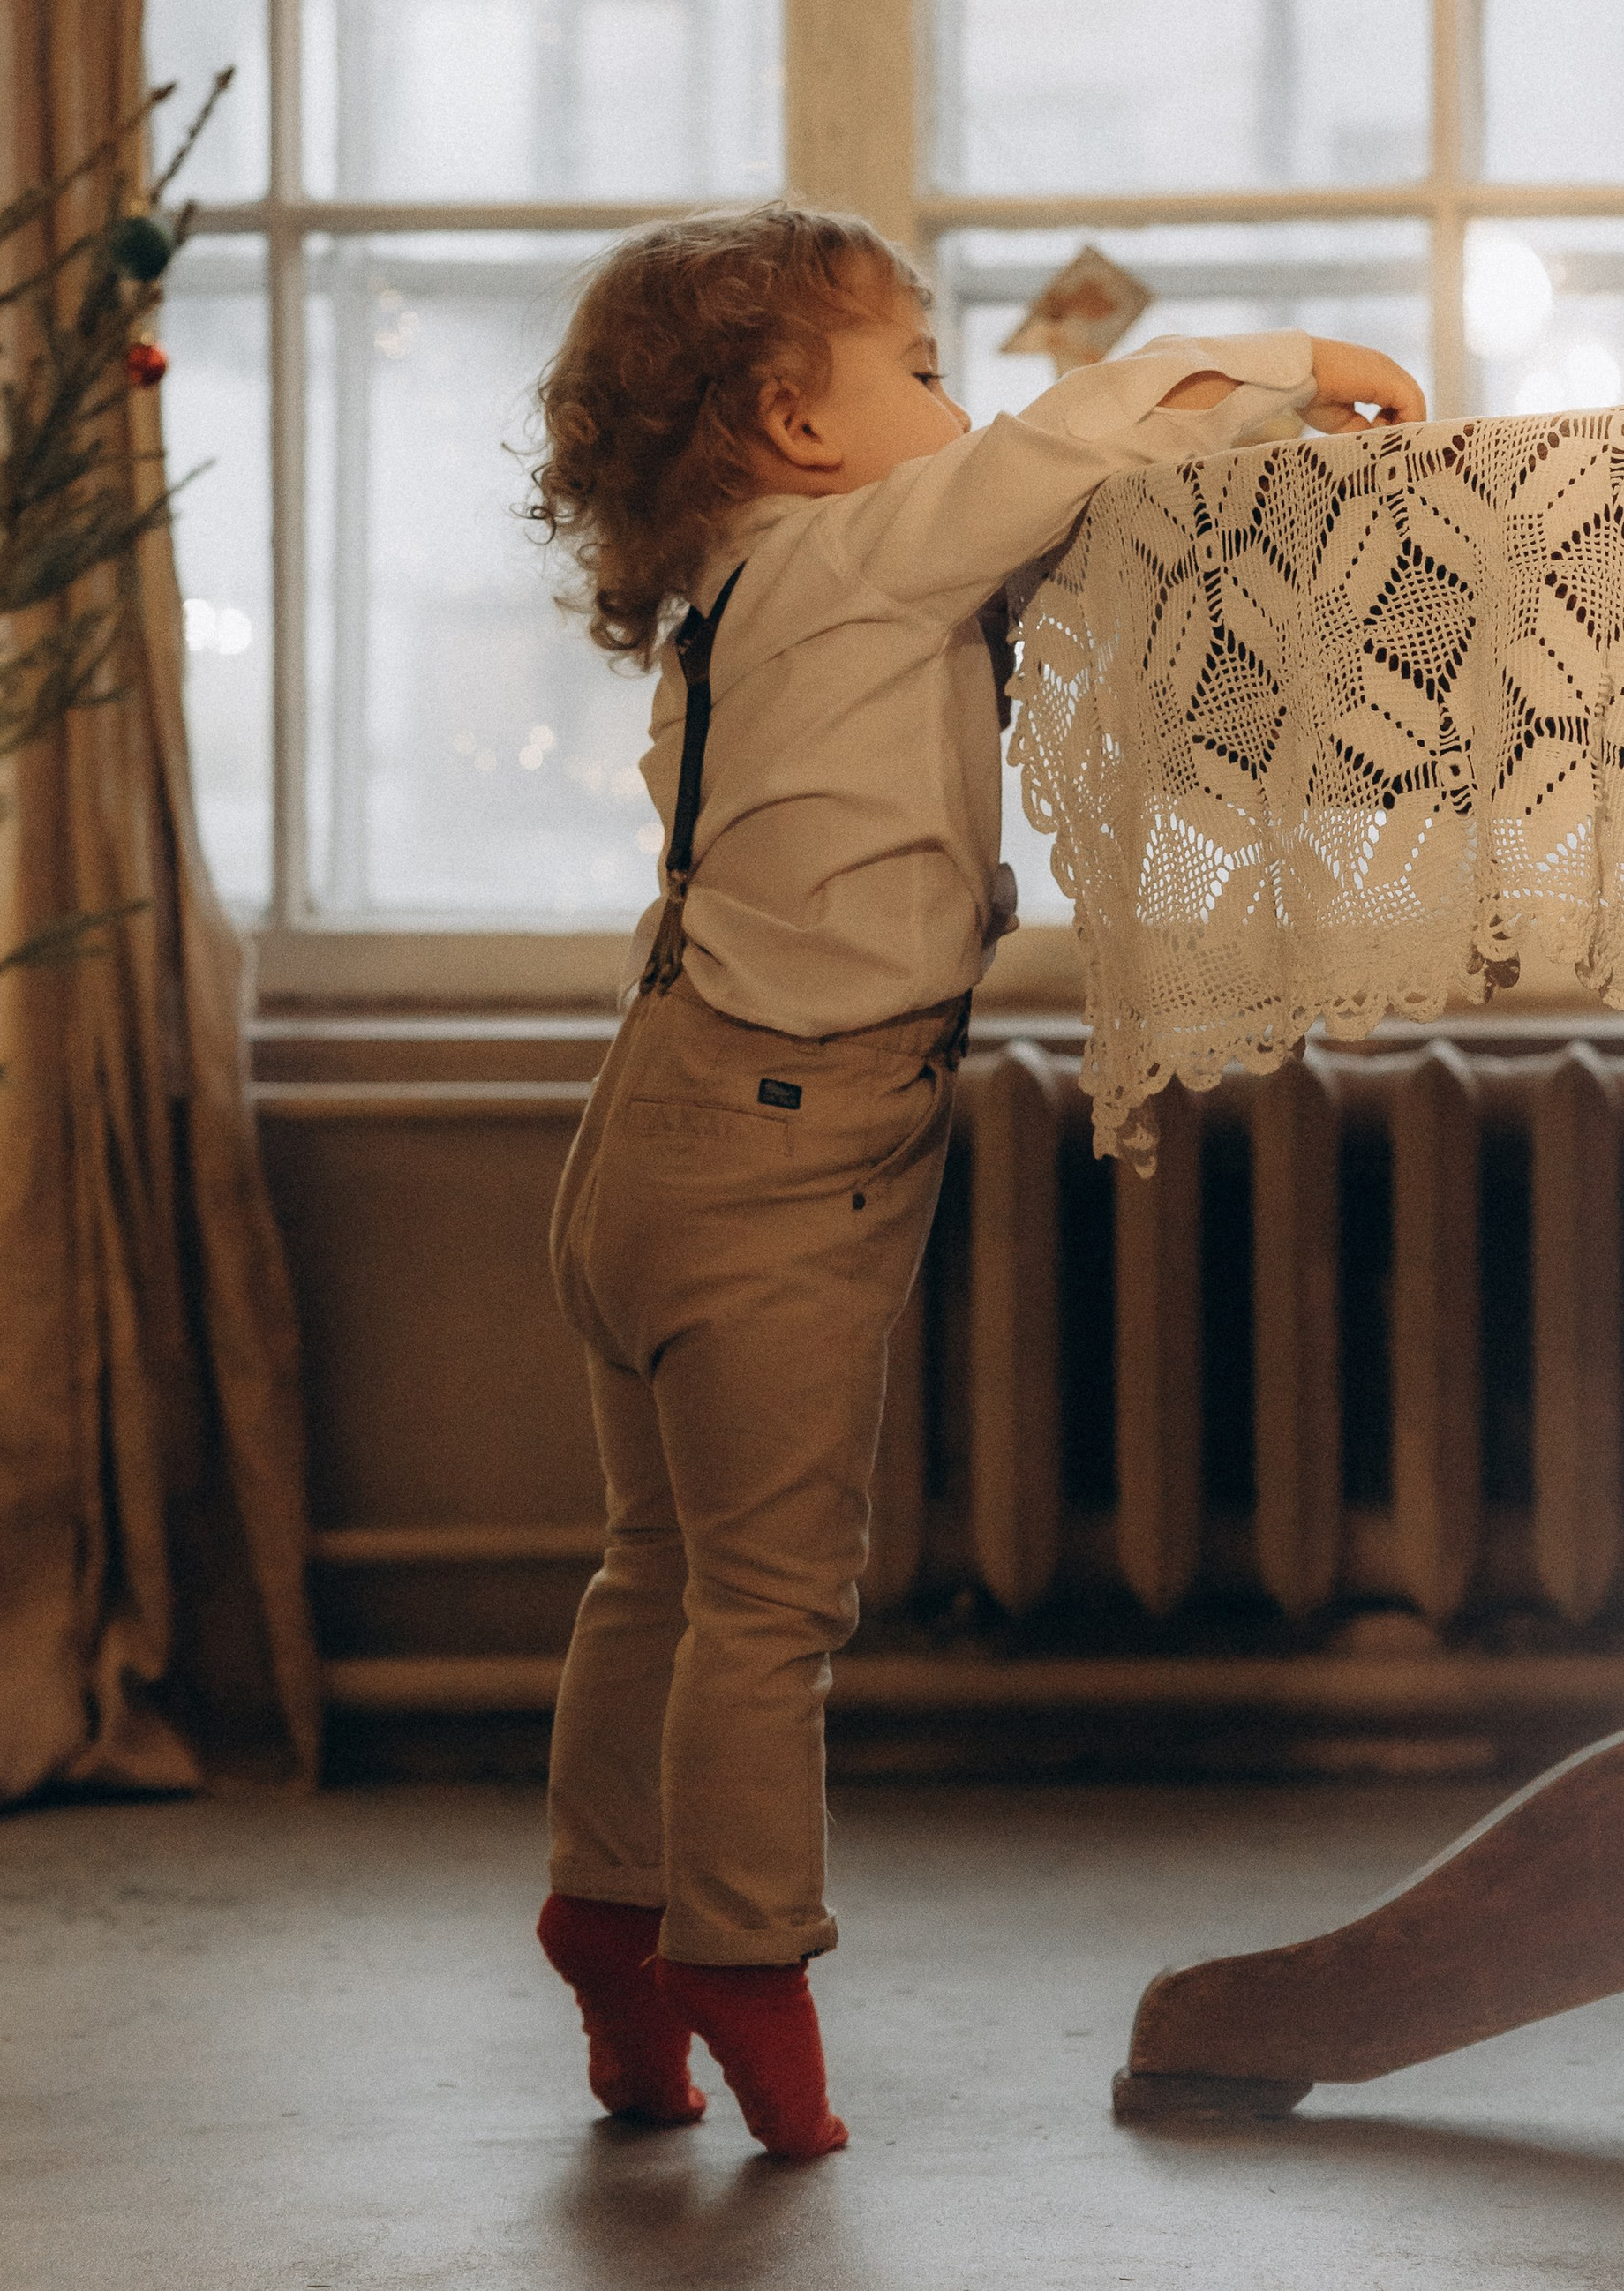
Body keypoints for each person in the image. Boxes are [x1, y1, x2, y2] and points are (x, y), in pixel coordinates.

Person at [523, 203, 1425, 2159]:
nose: (957, 405)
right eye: (920, 369)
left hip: (652, 1121)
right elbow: (1071, 440)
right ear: (795, 424)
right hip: (788, 1150)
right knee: (772, 1601)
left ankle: (605, 1911)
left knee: (651, 1564)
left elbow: (1041, 514)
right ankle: (739, 1957)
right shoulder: (862, 552)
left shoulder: (748, 592)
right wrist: (1295, 367)